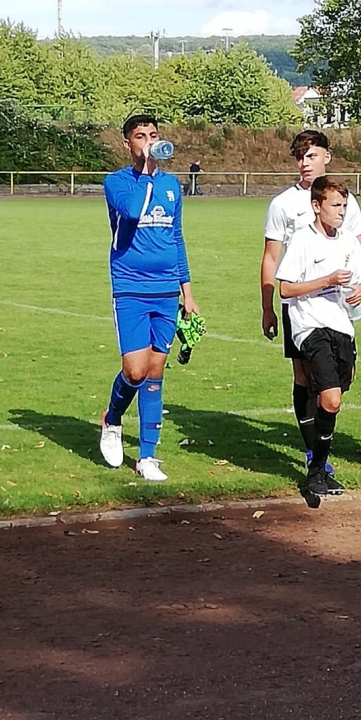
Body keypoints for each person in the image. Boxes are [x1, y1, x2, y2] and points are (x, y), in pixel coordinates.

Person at [260, 129, 361, 473]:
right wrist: (267, 306)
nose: (304, 163)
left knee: (340, 378)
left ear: (326, 157)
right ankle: (313, 454)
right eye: (299, 157)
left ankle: (317, 444)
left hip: (338, 307)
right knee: (304, 377)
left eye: (311, 156)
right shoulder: (284, 204)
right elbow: (271, 258)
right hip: (301, 308)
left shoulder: (344, 201)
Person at [99, 114, 200, 482]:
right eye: (140, 136)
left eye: (153, 135)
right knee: (135, 371)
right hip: (130, 288)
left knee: (155, 373)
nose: (148, 141)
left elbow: (177, 237)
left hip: (166, 289)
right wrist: (145, 170)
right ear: (127, 143)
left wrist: (188, 291)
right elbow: (130, 212)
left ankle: (148, 456)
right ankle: (112, 419)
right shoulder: (117, 182)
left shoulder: (171, 185)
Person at [276, 176, 361, 500]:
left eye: (344, 205)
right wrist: (326, 280)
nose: (341, 211)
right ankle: (316, 472)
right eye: (335, 205)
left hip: (341, 325)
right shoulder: (303, 240)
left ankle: (319, 467)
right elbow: (285, 288)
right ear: (317, 206)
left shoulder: (348, 241)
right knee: (330, 398)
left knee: (340, 390)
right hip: (310, 326)